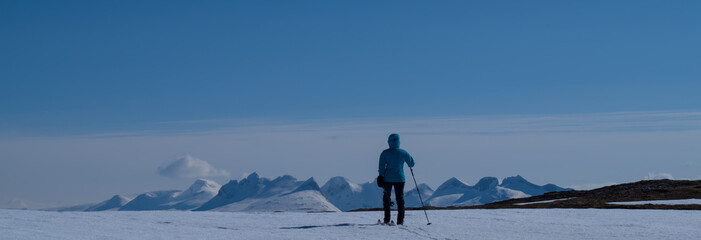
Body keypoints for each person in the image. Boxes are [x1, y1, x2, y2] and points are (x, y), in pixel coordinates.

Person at [378, 133, 415, 225]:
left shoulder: (385, 153)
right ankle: (400, 221)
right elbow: (411, 164)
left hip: (387, 179)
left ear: (389, 142)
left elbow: (381, 166)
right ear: (398, 141)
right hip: (400, 178)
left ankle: (387, 219)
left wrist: (380, 175)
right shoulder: (403, 152)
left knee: (386, 199)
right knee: (400, 199)